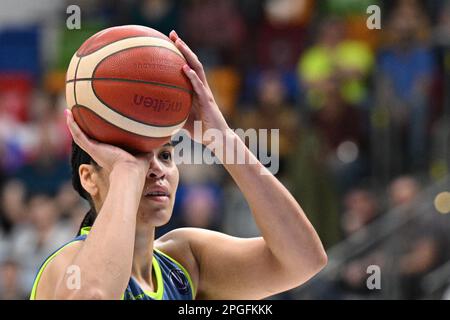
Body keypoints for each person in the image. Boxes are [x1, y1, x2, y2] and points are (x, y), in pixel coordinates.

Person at [29, 31, 327, 300]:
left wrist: (221, 137)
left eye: (166, 156)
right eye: (133, 156)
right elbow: (95, 295)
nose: (156, 168)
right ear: (89, 178)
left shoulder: (185, 262)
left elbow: (303, 261)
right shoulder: (67, 265)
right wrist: (128, 172)